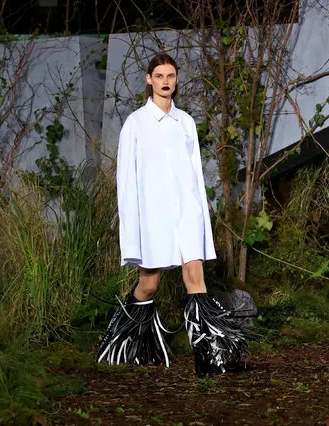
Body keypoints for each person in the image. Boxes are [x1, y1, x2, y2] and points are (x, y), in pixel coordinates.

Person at [97, 53, 251, 377]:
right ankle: (121, 339)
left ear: (177, 80)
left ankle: (209, 359)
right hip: (154, 219)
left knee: (195, 279)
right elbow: (125, 183)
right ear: (149, 80)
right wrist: (131, 232)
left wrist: (200, 216)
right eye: (160, 75)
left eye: (171, 75)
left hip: (187, 215)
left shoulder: (186, 123)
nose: (166, 81)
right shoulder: (136, 124)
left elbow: (195, 173)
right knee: (149, 285)